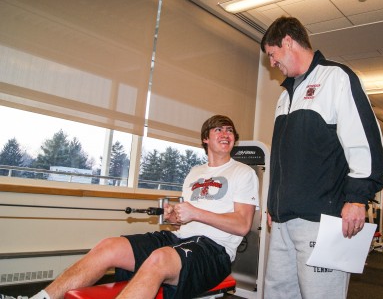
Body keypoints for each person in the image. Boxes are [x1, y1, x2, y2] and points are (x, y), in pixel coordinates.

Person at [1, 115, 259, 299]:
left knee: (158, 259)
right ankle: (40, 298)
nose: (226, 134)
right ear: (205, 138)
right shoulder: (194, 172)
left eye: (230, 131)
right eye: (219, 130)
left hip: (214, 250)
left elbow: (242, 224)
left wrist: (196, 212)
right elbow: (184, 219)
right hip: (179, 238)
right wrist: (175, 217)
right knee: (108, 246)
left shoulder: (242, 172)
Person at [260, 16, 383, 299]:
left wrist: (356, 198)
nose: (271, 63)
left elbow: (364, 143)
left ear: (288, 42)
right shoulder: (285, 96)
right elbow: (283, 160)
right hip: (282, 221)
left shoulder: (336, 78)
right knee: (277, 293)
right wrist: (273, 204)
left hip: (320, 217)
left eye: (272, 54)